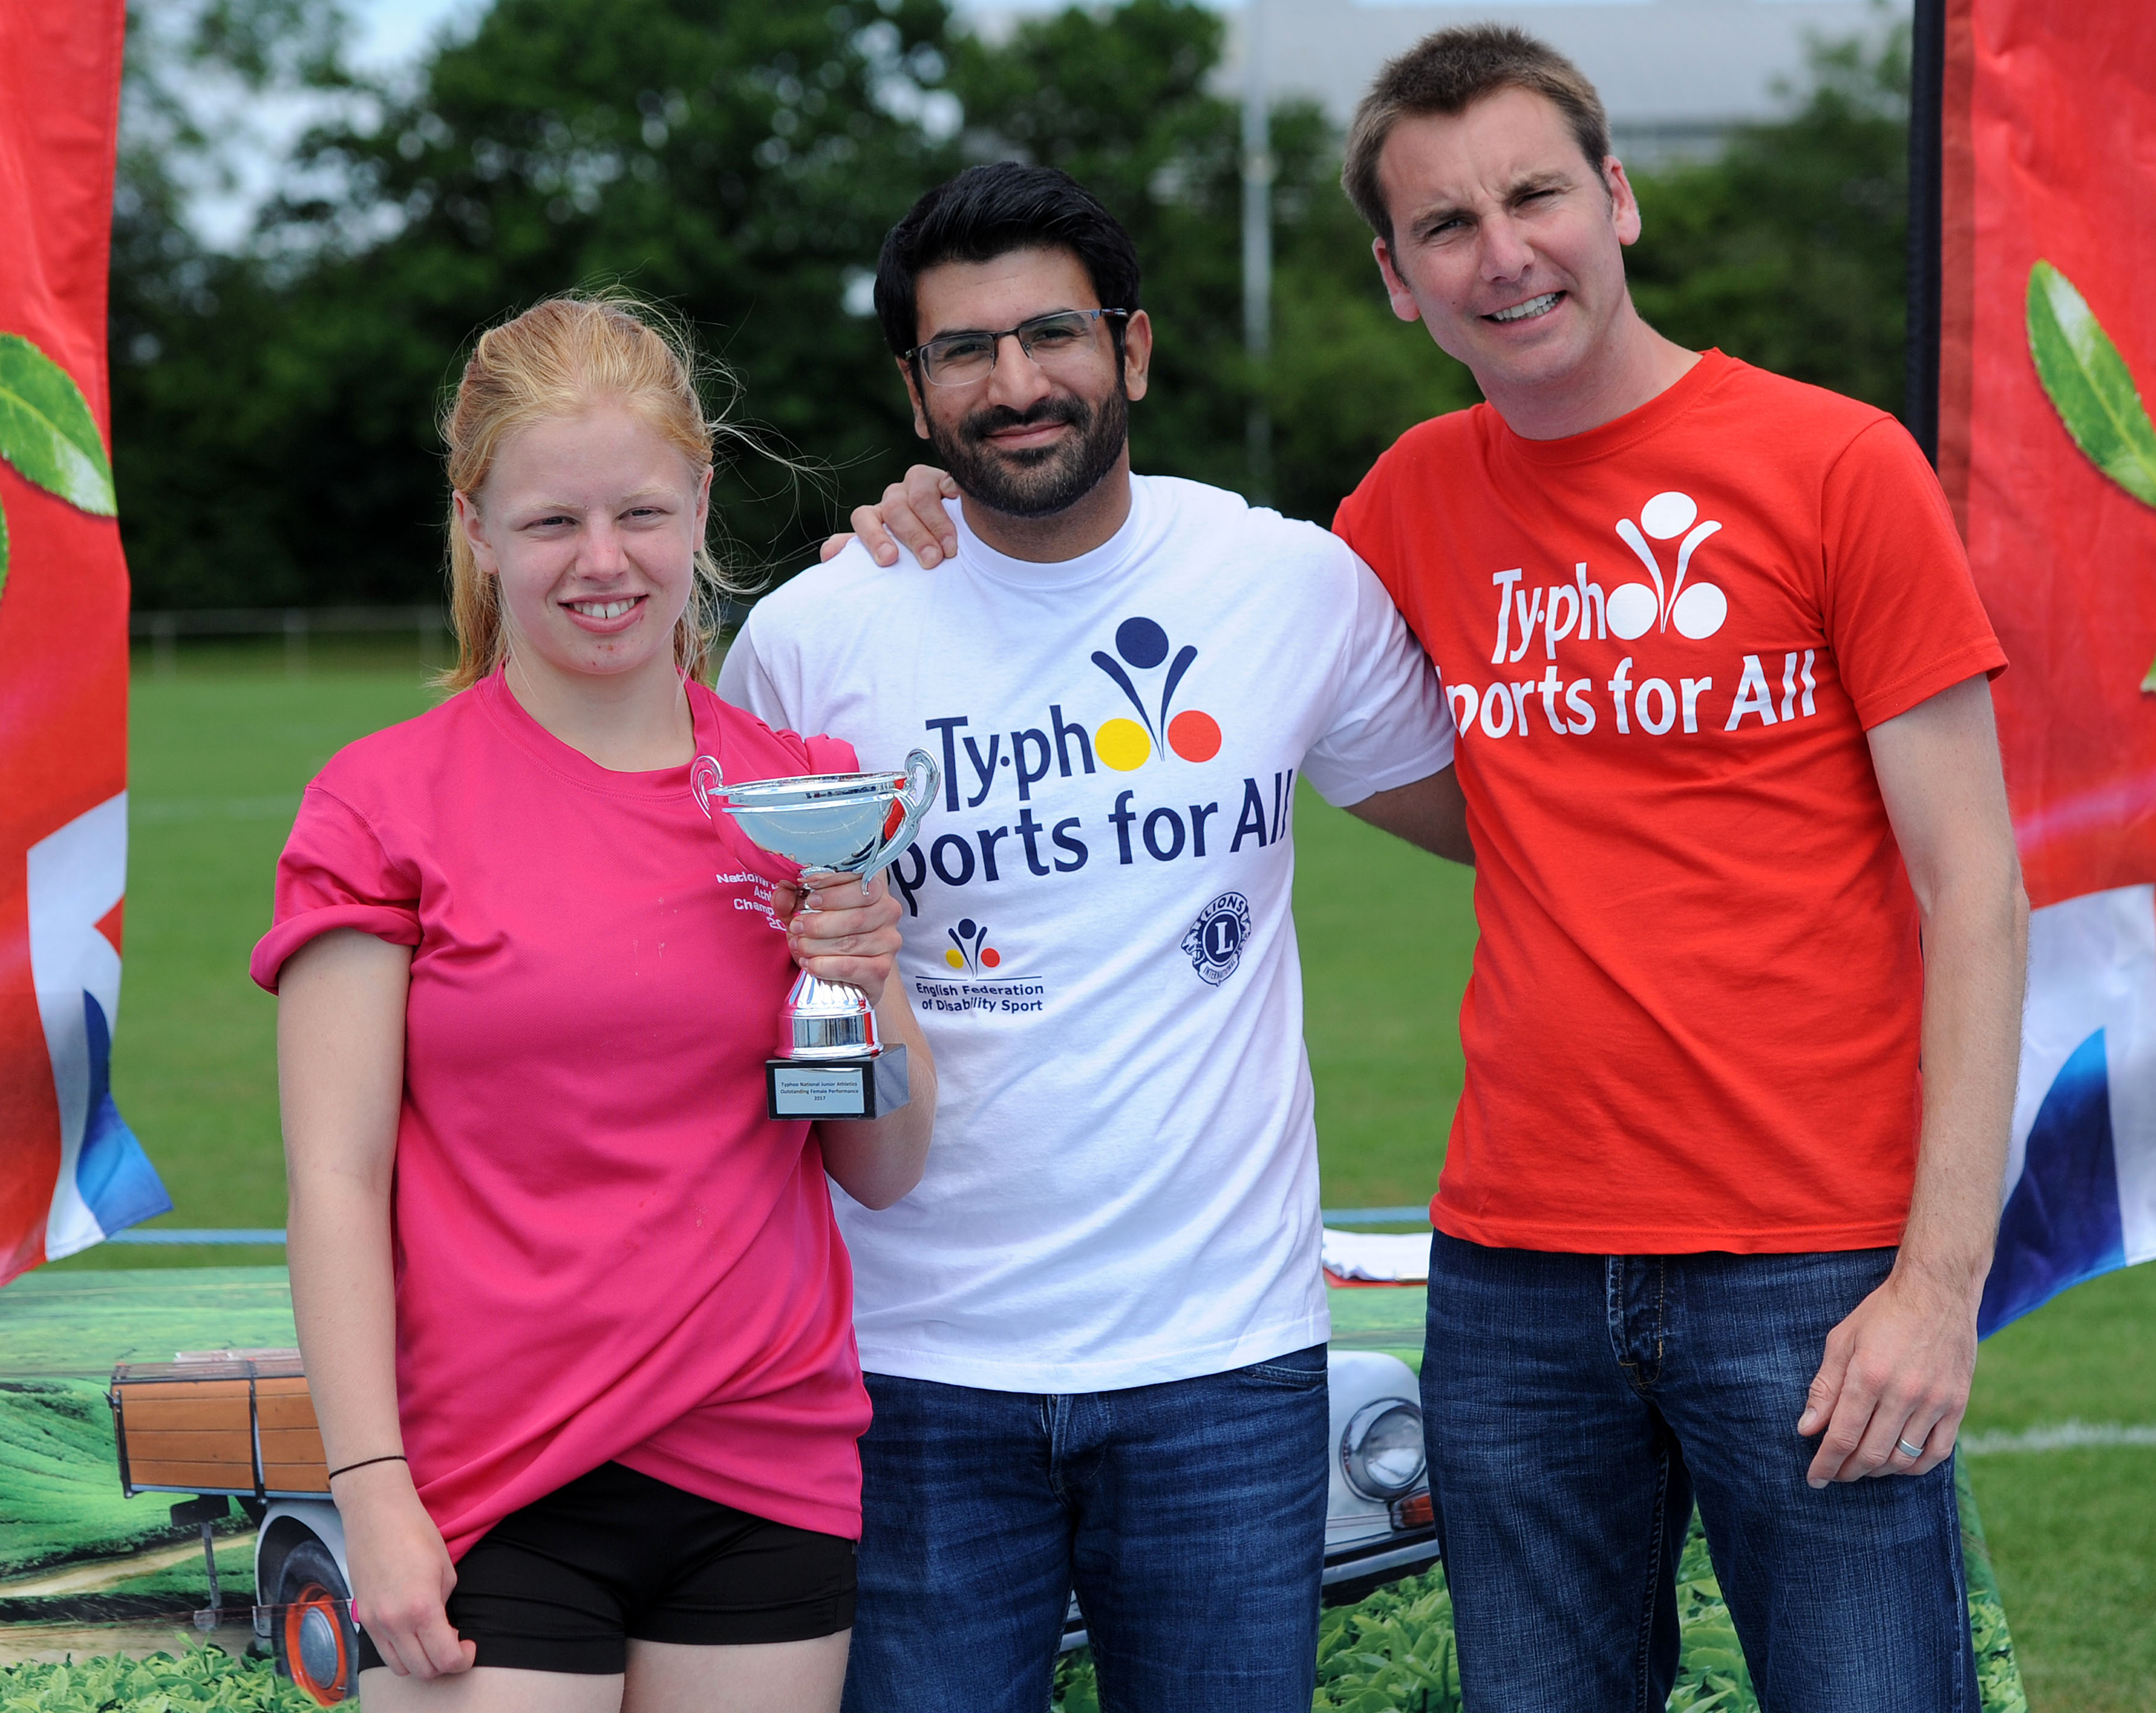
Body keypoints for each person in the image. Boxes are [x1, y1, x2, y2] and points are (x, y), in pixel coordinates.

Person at [844, 26, 2031, 1712]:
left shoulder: (1837, 465)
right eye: (1446, 228)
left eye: (1537, 194)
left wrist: (1936, 1283)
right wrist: (926, 530)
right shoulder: (1404, 506)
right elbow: (1374, 749)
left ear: (1616, 200)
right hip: (1517, 1277)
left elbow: (1977, 890)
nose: (1506, 251)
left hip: (1811, 1259)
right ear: (1399, 282)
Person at [714, 163, 1468, 1713]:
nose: (1015, 383)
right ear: (914, 395)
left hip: (1223, 1366)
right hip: (911, 1372)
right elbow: (728, 972)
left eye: (1051, 334)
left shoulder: (1286, 586)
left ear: (1131, 351)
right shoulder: (812, 634)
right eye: (964, 352)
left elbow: (1499, 819)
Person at [255, 294, 935, 1713]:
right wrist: (369, 1488)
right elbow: (336, 1179)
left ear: (698, 504)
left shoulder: (799, 786)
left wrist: (867, 987)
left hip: (764, 1463)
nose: (604, 562)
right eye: (553, 523)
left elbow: (882, 1163)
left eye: (639, 512)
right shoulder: (381, 803)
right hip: (491, 1481)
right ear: (476, 528)